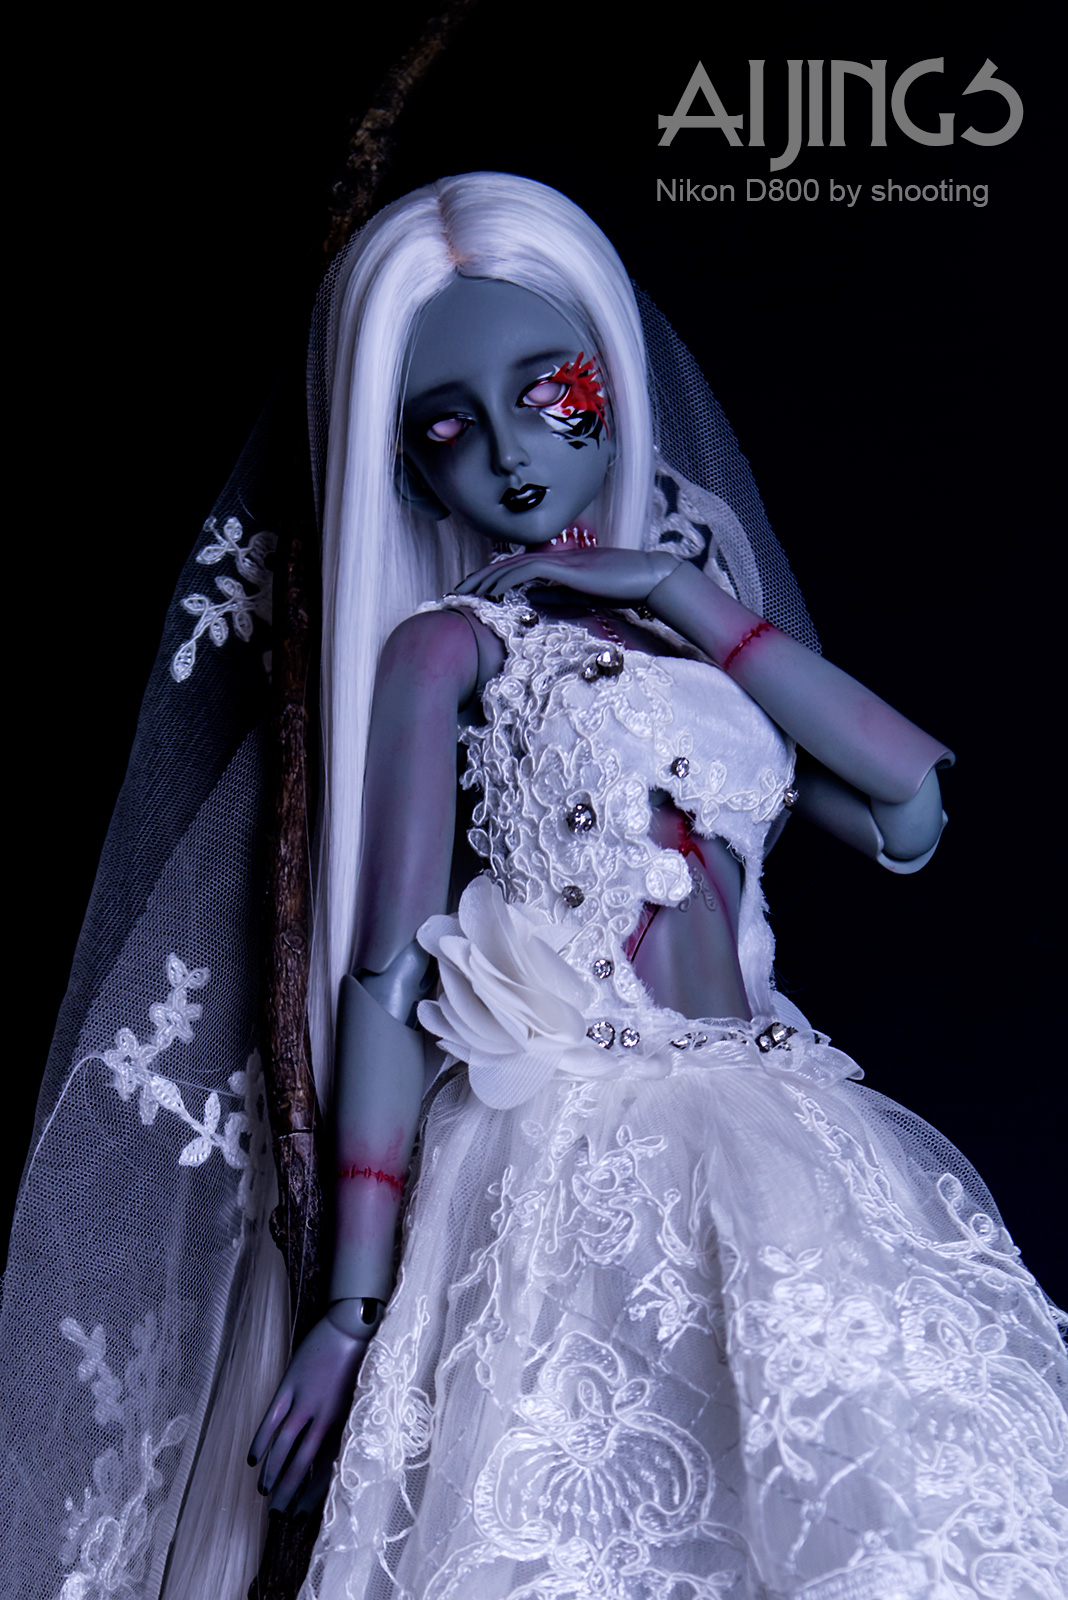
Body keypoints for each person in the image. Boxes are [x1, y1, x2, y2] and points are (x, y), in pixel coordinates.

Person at [247, 174, 1068, 1599]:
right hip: (573, 1146)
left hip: (776, 1118)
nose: (511, 454)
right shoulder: (453, 650)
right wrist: (352, 1305)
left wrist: (687, 597)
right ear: (409, 466)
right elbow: (386, 975)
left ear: (611, 383)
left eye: (546, 393)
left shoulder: (701, 638)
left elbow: (909, 807)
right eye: (448, 427)